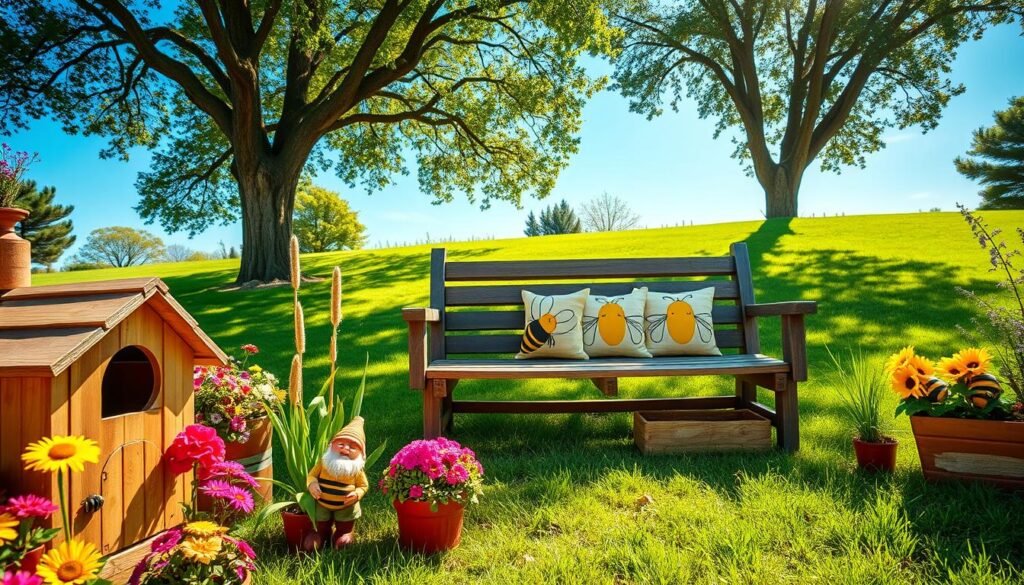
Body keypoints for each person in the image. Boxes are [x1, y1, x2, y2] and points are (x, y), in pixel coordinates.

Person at [305, 416, 368, 549]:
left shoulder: (357, 470)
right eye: (341, 444)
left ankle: (343, 533)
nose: (346, 449)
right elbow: (311, 475)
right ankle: (321, 535)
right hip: (322, 503)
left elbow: (363, 485)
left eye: (352, 447)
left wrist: (357, 494)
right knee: (321, 522)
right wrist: (312, 484)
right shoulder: (324, 463)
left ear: (361, 454)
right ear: (331, 446)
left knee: (344, 523)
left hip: (346, 507)